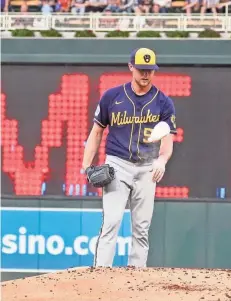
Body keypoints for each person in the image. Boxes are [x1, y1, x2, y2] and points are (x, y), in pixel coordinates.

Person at [82, 47, 177, 268]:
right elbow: (97, 132)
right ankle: (101, 276)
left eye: (150, 70)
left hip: (146, 168)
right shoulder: (112, 96)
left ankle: (136, 282)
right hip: (117, 165)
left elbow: (168, 141)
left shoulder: (163, 102)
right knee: (111, 223)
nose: (145, 74)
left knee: (141, 228)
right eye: (141, 69)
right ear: (131, 67)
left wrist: (162, 160)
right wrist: (87, 166)